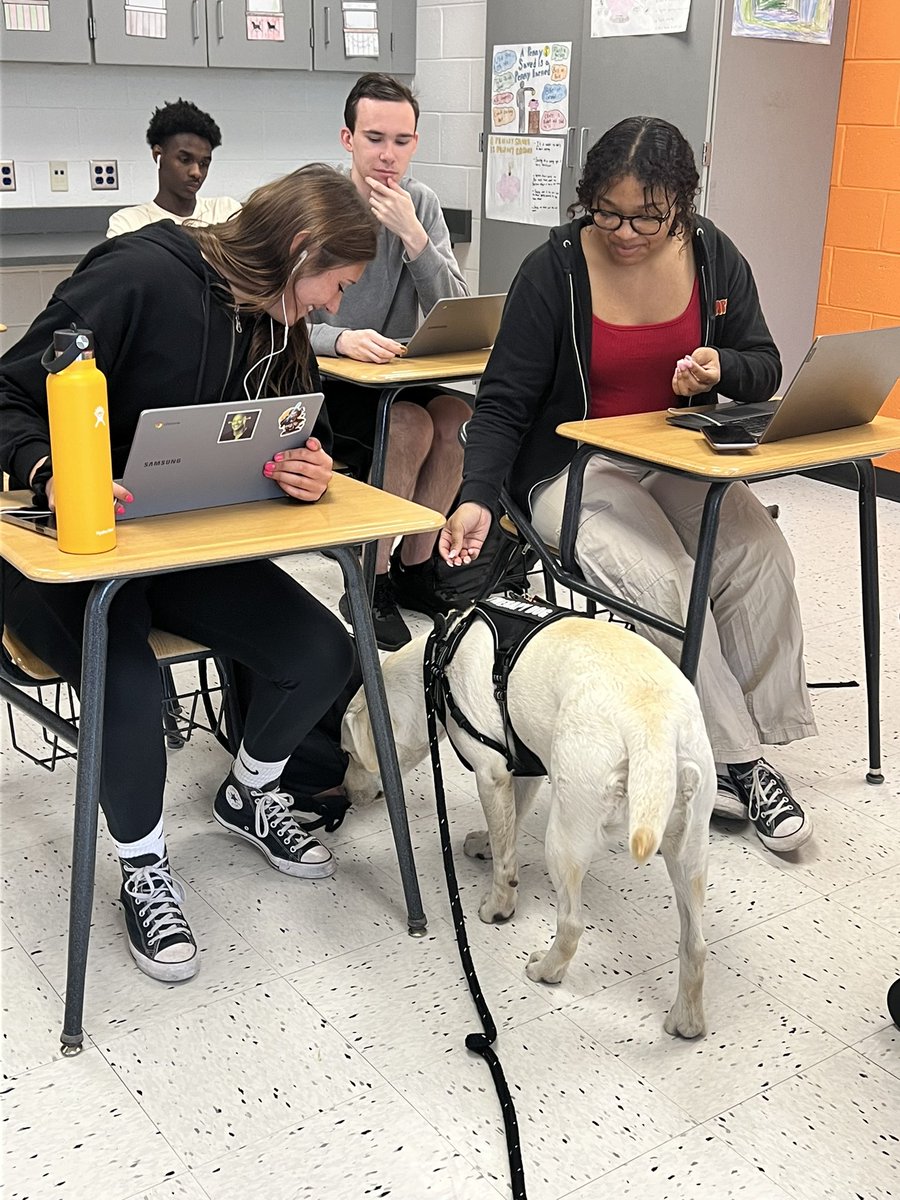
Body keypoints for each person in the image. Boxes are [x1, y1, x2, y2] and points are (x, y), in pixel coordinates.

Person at [1, 165, 379, 982]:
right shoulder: (141, 275)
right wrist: (49, 472)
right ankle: (142, 865)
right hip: (69, 553)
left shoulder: (276, 322)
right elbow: (7, 393)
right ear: (300, 248)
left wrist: (310, 465)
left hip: (174, 547)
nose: (333, 308)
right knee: (128, 684)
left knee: (321, 651)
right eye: (334, 284)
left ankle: (249, 792)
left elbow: (288, 426)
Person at [441, 116, 816, 855]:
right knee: (665, 579)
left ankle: (748, 729)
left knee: (759, 554)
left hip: (674, 451)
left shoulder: (712, 254)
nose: (624, 232)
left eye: (647, 217)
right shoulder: (554, 270)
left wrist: (721, 369)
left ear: (681, 203)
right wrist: (477, 493)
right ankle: (735, 762)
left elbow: (764, 360)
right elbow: (505, 399)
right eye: (606, 213)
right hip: (570, 469)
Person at [308, 73, 472, 651]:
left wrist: (415, 238)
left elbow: (451, 307)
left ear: (416, 143)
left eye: (401, 141)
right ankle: (369, 579)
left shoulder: (420, 203)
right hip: (332, 379)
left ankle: (417, 567)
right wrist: (338, 338)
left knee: (455, 418)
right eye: (375, 138)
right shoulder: (318, 201)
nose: (388, 155)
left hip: (400, 373)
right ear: (347, 138)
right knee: (409, 425)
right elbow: (273, 318)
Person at [106, 98, 240, 238]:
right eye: (185, 160)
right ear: (158, 155)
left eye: (204, 164)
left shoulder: (226, 211)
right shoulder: (129, 223)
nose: (196, 172)